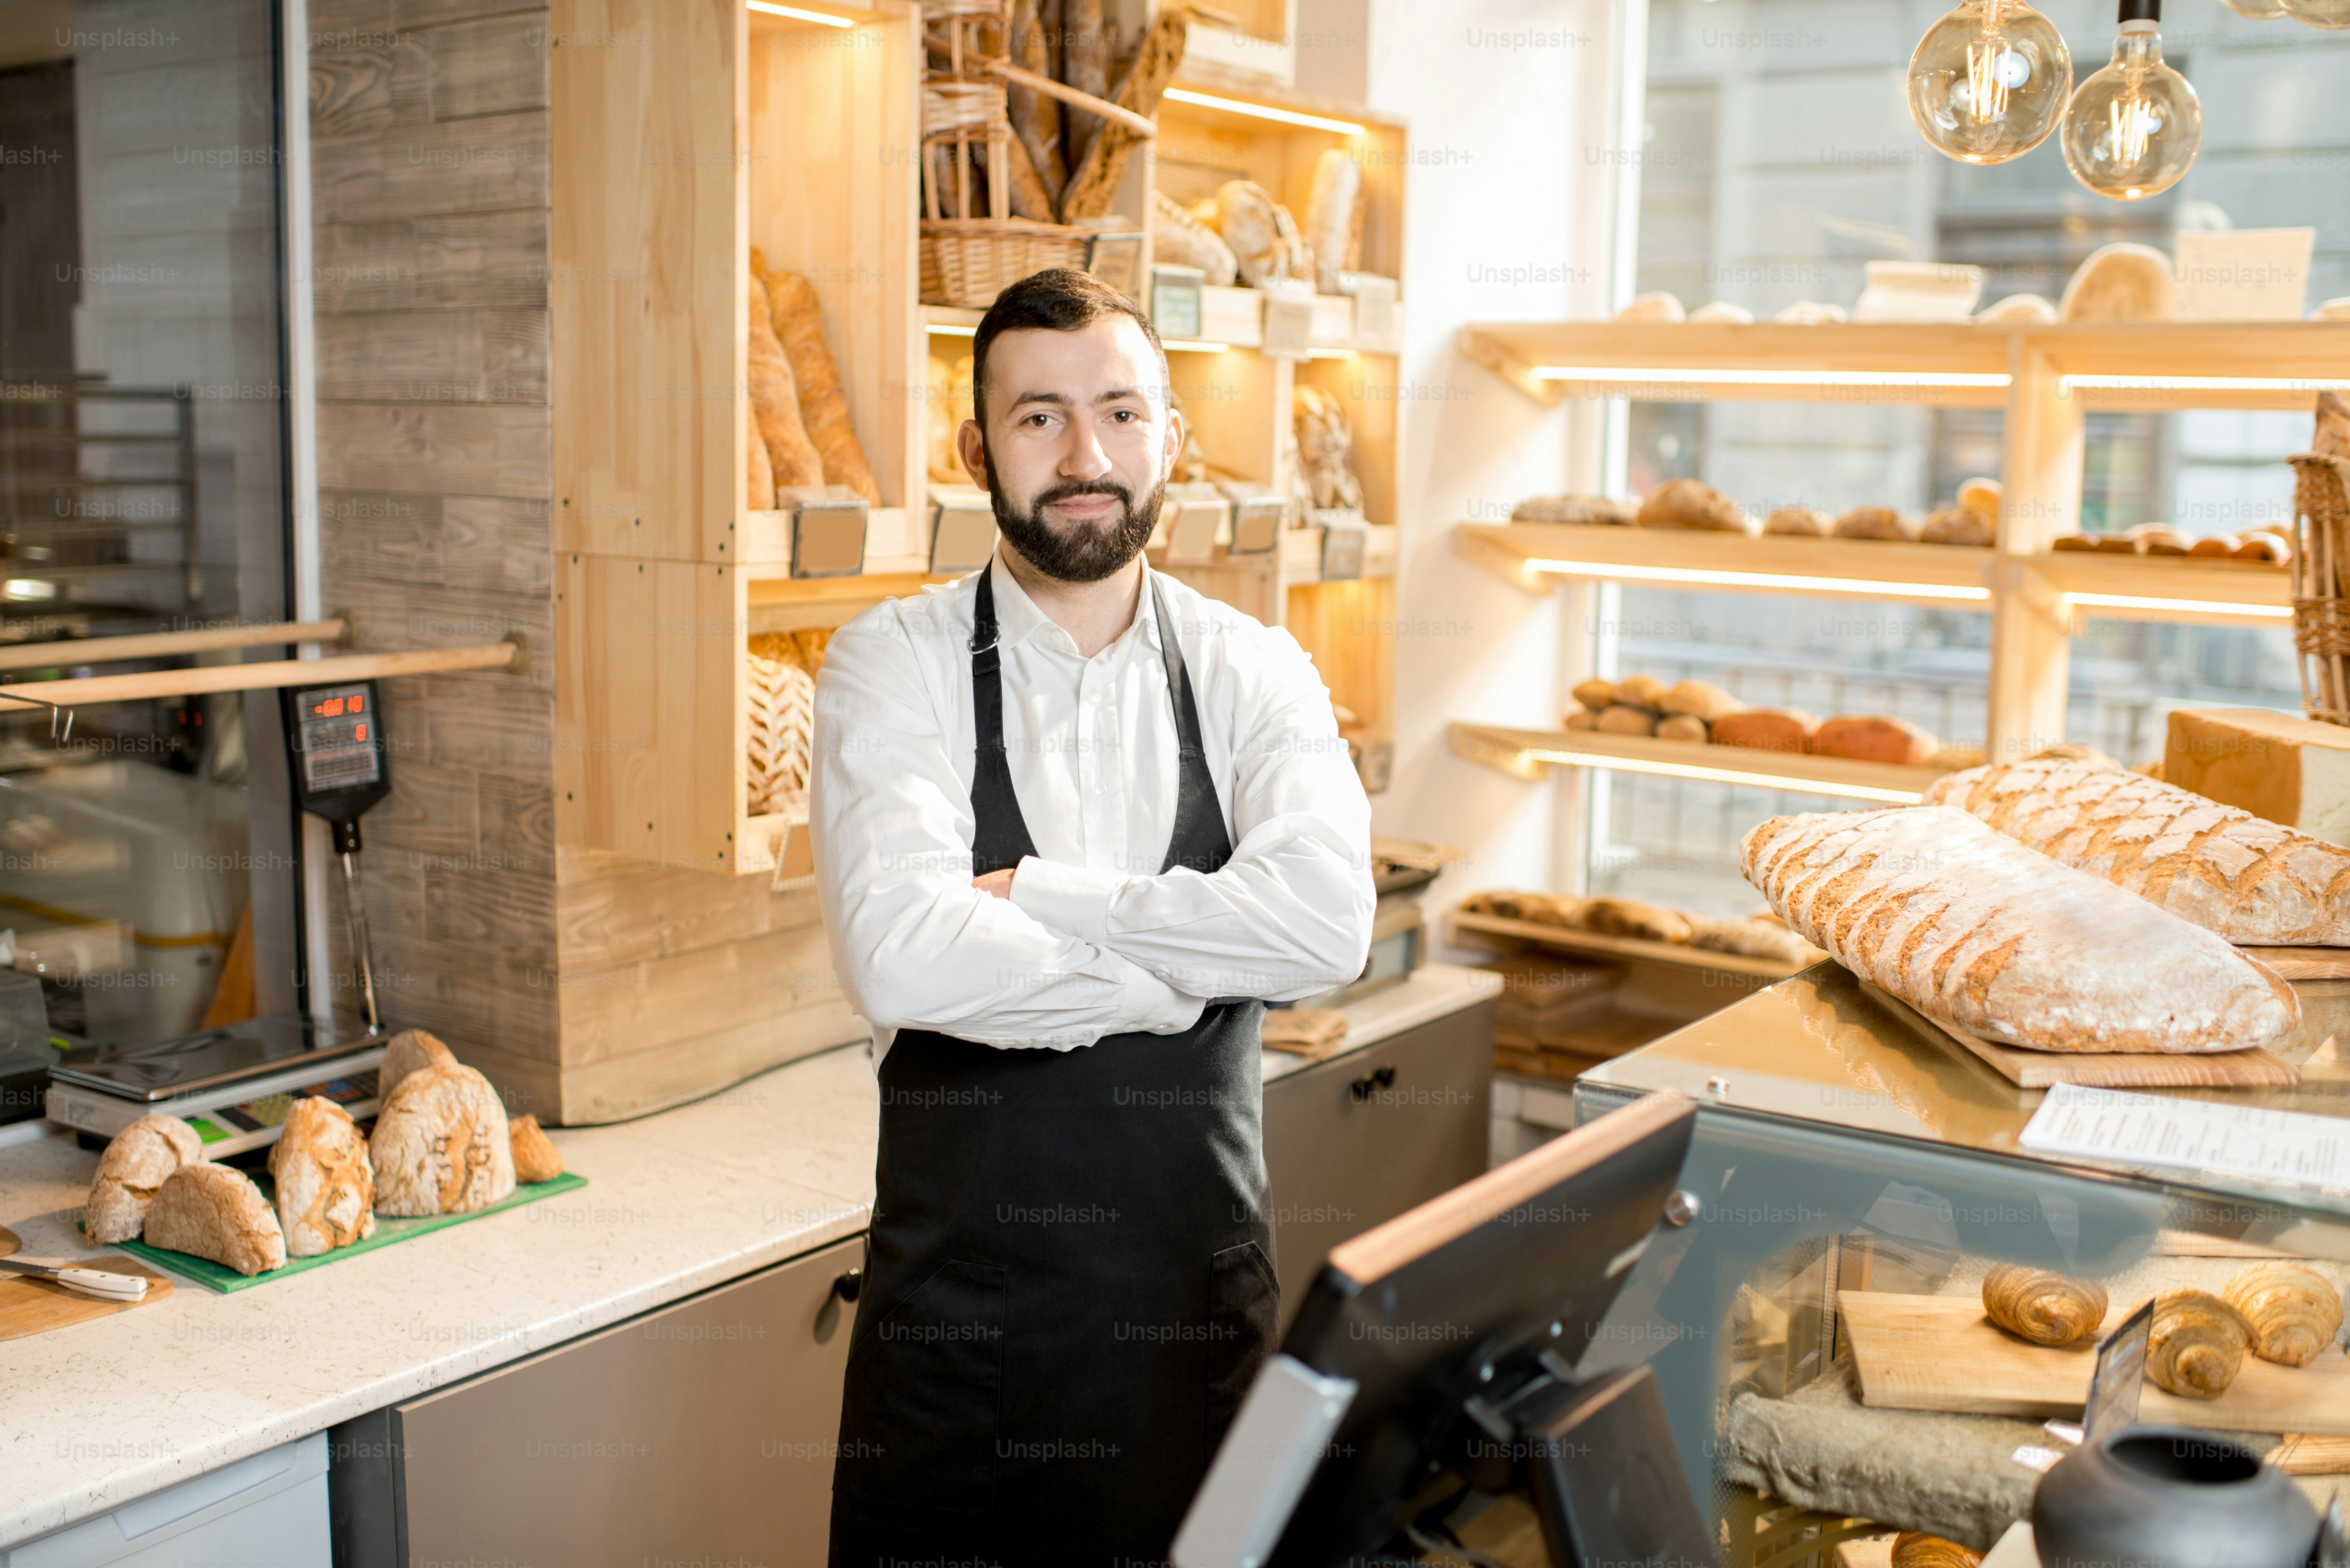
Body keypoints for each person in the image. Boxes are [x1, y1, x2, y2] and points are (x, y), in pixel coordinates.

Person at [811, 267, 1375, 1564]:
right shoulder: (889, 662)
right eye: (1038, 418)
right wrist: (1194, 971)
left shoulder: (1254, 666)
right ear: (976, 454)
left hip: (1198, 1324)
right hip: (960, 1357)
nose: (1086, 456)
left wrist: (1053, 900)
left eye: (1121, 414)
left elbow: (1325, 933)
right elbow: (902, 958)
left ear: (1171, 438)